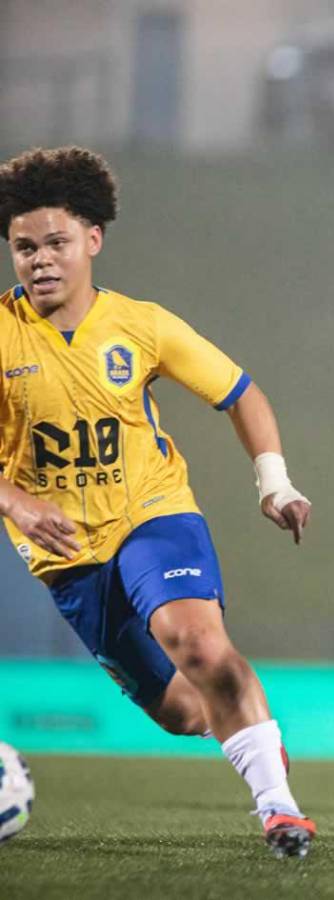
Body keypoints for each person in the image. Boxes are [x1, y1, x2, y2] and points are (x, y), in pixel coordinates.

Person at [0, 147, 316, 858]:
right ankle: (252, 731)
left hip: (153, 512)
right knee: (180, 710)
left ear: (93, 239)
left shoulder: (141, 325)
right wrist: (16, 503)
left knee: (200, 643)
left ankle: (279, 810)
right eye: (24, 247)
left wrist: (275, 482)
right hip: (66, 554)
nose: (41, 260)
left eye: (55, 242)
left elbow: (241, 394)